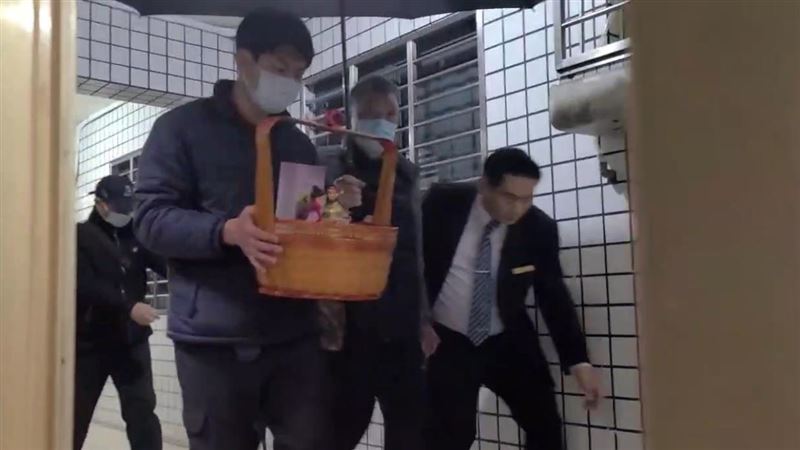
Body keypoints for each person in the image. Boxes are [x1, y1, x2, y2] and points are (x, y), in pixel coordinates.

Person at [133, 8, 346, 450]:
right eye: (279, 68)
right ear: (243, 60)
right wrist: (227, 230)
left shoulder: (297, 142)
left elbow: (303, 222)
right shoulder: (181, 129)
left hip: (293, 335)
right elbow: (151, 220)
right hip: (214, 340)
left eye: (299, 73)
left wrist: (332, 204)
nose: (290, 82)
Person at [421, 148, 602, 450]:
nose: (517, 208)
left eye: (526, 198)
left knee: (545, 425)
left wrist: (578, 361)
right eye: (509, 197)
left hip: (506, 336)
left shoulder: (538, 229)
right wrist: (417, 321)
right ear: (484, 185)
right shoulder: (442, 203)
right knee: (451, 435)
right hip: (447, 339)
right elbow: (410, 263)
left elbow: (553, 295)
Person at [320, 75, 438, 450]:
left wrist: (423, 319)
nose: (382, 122)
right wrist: (333, 202)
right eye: (371, 114)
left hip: (401, 328)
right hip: (346, 332)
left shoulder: (407, 172)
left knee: (409, 432)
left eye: (390, 114)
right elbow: (296, 221)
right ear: (351, 118)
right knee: (339, 431)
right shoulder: (324, 164)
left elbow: (414, 253)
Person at [74, 175, 165, 450]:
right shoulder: (81, 236)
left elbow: (163, 264)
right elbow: (85, 285)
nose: (125, 213)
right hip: (91, 342)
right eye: (118, 207)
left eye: (128, 206)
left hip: (131, 341)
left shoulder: (136, 234)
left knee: (142, 414)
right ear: (100, 204)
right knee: (74, 416)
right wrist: (128, 307)